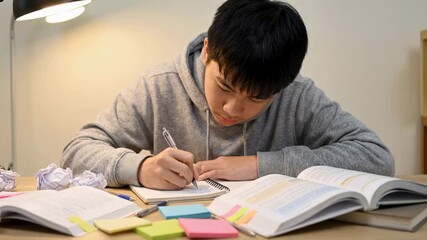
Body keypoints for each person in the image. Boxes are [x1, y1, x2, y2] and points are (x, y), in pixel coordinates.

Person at [61, 0, 394, 190]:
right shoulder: (158, 86)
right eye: (224, 86)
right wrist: (141, 167)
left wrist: (260, 165)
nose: (234, 109)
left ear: (281, 87)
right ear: (207, 51)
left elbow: (377, 158)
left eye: (258, 98)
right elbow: (76, 153)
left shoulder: (297, 96)